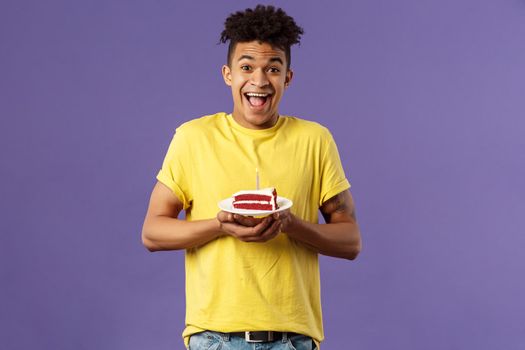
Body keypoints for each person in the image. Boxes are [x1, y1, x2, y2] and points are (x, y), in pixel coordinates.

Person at [142, 5, 362, 350]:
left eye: (272, 69)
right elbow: (152, 232)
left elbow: (350, 241)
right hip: (214, 338)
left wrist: (291, 226)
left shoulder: (315, 140)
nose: (259, 81)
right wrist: (219, 226)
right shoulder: (193, 138)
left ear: (287, 77)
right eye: (247, 67)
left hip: (293, 340)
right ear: (228, 74)